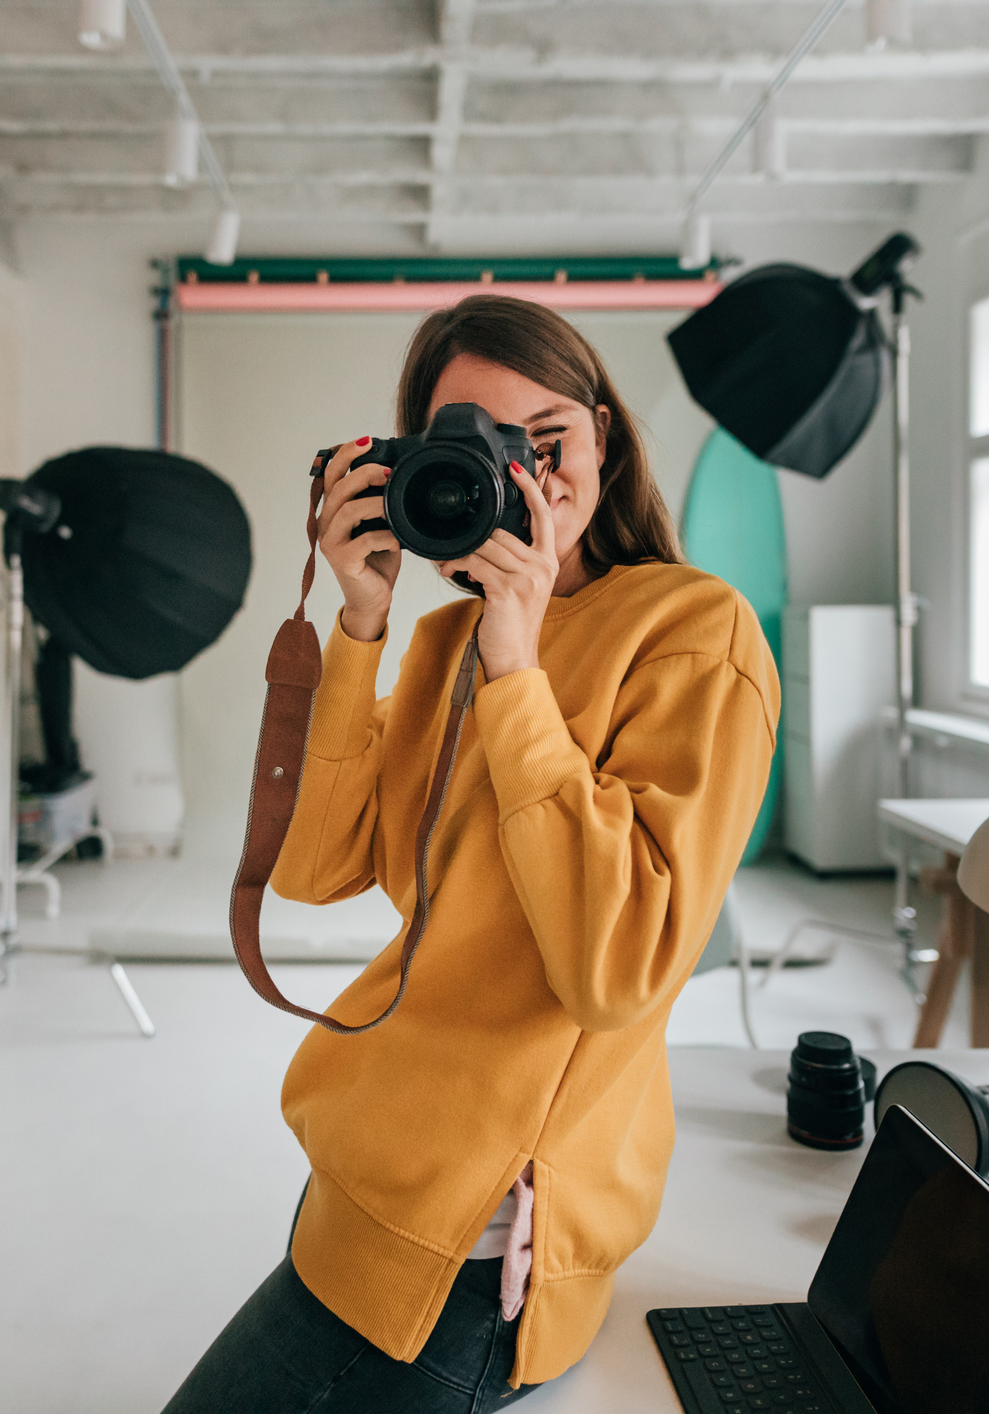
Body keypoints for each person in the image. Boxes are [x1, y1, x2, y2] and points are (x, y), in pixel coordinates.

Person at [162, 294, 778, 1412]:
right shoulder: (439, 637)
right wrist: (359, 624)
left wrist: (519, 664)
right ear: (418, 467)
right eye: (480, 451)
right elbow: (314, 871)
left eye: (547, 441)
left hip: (475, 1252)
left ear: (605, 437)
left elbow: (617, 969)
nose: (527, 482)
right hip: (362, 1176)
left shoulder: (694, 628)